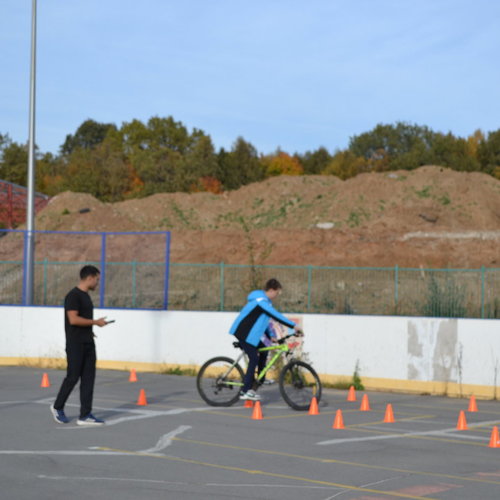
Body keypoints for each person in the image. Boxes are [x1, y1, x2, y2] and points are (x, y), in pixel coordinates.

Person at [50, 265, 109, 425]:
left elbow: (82, 320)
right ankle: (57, 407)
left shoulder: (86, 296)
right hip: (75, 344)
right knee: (73, 377)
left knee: (89, 379)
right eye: (97, 279)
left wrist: (90, 330)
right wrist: (95, 322)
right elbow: (73, 319)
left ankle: (85, 415)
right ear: (89, 277)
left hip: (88, 342)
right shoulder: (73, 296)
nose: (98, 283)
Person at [229, 278, 301, 401]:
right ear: (272, 290)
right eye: (277, 293)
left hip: (251, 334)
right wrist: (293, 325)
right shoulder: (261, 301)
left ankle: (260, 379)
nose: (277, 296)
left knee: (264, 349)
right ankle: (245, 391)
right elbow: (275, 315)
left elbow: (264, 322)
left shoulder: (265, 302)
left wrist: (270, 335)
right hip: (243, 332)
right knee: (254, 358)